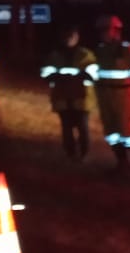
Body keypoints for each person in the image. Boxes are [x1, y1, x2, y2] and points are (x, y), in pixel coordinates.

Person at [92, 13, 130, 172]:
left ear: (117, 31)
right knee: (111, 130)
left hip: (125, 95)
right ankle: (121, 160)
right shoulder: (100, 50)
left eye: (106, 30)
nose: (104, 34)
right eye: (102, 31)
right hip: (105, 95)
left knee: (129, 130)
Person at [40, 24, 97, 161]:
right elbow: (46, 74)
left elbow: (92, 75)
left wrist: (67, 77)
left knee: (83, 129)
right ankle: (70, 153)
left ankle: (84, 154)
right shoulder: (54, 56)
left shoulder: (85, 54)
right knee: (66, 129)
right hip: (62, 99)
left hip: (81, 99)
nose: (68, 39)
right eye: (66, 36)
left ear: (77, 37)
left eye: (71, 36)